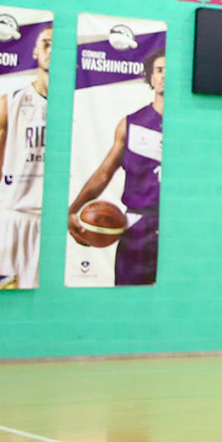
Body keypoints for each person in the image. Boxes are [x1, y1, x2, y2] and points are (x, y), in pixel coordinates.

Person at [67, 48, 165, 286]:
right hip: (139, 228)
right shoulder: (131, 124)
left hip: (178, 227)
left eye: (170, 71)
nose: (164, 76)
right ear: (151, 78)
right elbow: (104, 174)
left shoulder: (194, 128)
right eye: (159, 70)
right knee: (129, 300)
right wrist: (73, 210)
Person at [0, 26, 51, 290]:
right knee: (7, 303)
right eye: (46, 44)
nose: (53, 51)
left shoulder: (81, 106)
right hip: (14, 221)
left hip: (54, 224)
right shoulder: (10, 103)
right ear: (35, 51)